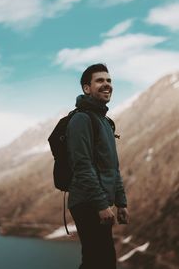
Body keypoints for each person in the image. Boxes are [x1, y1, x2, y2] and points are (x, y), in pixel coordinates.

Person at [66, 63, 129, 269]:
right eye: (100, 80)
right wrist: (101, 204)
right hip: (87, 202)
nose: (106, 84)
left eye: (109, 80)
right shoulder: (81, 119)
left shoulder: (104, 121)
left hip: (98, 201)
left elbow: (112, 166)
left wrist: (121, 201)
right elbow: (82, 166)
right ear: (87, 88)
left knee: (102, 261)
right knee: (98, 260)